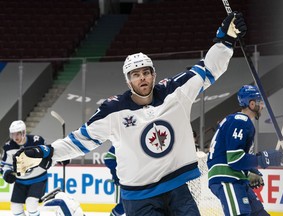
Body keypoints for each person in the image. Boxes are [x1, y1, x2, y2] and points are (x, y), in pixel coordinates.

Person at [14, 12, 247, 215]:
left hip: (177, 188)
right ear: (128, 80)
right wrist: (49, 151)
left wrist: (225, 40)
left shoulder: (174, 92)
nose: (142, 77)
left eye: (146, 72)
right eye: (136, 74)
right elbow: (81, 140)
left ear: (153, 75)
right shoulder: (112, 111)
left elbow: (208, 69)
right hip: (139, 197)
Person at [207, 85, 283, 216]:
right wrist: (263, 158)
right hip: (227, 178)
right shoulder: (241, 122)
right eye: (260, 102)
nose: (262, 106)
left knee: (259, 213)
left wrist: (250, 172)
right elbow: (234, 159)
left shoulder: (237, 121)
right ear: (252, 103)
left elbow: (239, 157)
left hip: (236, 177)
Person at [1, 120, 50, 216]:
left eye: (17, 134)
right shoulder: (9, 147)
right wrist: (7, 173)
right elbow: (5, 165)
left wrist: (61, 159)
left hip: (38, 179)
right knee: (15, 207)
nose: (15, 137)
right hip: (20, 181)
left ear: (23, 132)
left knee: (31, 204)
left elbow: (50, 153)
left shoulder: (37, 141)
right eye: (12, 134)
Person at [104, 146, 125, 216]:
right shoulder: (121, 142)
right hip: (121, 182)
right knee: (123, 206)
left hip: (133, 181)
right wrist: (117, 174)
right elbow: (108, 158)